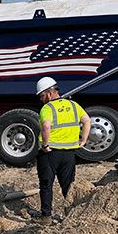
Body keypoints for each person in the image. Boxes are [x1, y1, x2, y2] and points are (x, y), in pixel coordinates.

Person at [32, 77, 91, 225]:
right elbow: (87, 121)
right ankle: (69, 215)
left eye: (41, 95)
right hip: (69, 154)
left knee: (46, 185)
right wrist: (83, 140)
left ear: (49, 93)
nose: (41, 99)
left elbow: (46, 127)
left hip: (50, 153)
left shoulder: (47, 108)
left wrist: (45, 145)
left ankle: (46, 218)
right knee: (68, 186)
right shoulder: (73, 105)